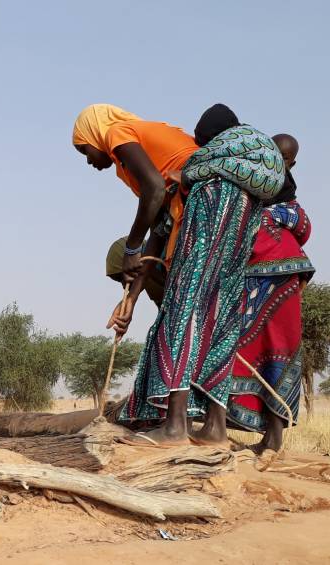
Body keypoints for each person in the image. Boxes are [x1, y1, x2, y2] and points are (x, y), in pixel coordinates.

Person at [106, 104, 286, 447]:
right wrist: (129, 302)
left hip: (204, 233)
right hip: (238, 239)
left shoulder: (191, 179)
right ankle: (216, 428)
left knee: (182, 314)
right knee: (221, 320)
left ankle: (175, 427)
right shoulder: (248, 185)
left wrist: (130, 294)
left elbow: (153, 245)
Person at [227, 134, 313, 453]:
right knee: (271, 350)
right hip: (286, 270)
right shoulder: (284, 195)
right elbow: (303, 228)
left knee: (265, 349)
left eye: (282, 156)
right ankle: (269, 437)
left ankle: (269, 437)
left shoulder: (256, 184)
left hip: (268, 271)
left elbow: (302, 225)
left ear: (291, 162)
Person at [71, 104, 199, 313]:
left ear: (95, 133)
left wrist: (132, 248)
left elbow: (156, 188)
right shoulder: (127, 166)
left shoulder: (117, 132)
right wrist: (130, 300)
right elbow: (158, 229)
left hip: (199, 197)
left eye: (84, 149)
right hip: (186, 204)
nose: (87, 160)